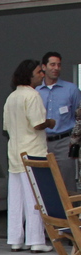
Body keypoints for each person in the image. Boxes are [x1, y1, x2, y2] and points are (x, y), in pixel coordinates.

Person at [4, 59, 55, 253]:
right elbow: (37, 123)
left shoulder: (12, 97)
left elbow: (6, 127)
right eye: (39, 72)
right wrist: (50, 122)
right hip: (33, 152)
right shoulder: (33, 95)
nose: (42, 75)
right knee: (35, 196)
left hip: (15, 152)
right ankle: (36, 240)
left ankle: (15, 239)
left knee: (16, 199)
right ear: (29, 75)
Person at [35, 51, 81, 193]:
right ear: (43, 67)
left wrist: (75, 141)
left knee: (67, 184)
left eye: (59, 65)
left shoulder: (71, 89)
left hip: (64, 142)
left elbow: (78, 115)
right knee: (44, 183)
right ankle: (49, 215)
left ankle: (70, 215)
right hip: (42, 142)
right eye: (52, 64)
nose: (56, 68)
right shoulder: (35, 91)